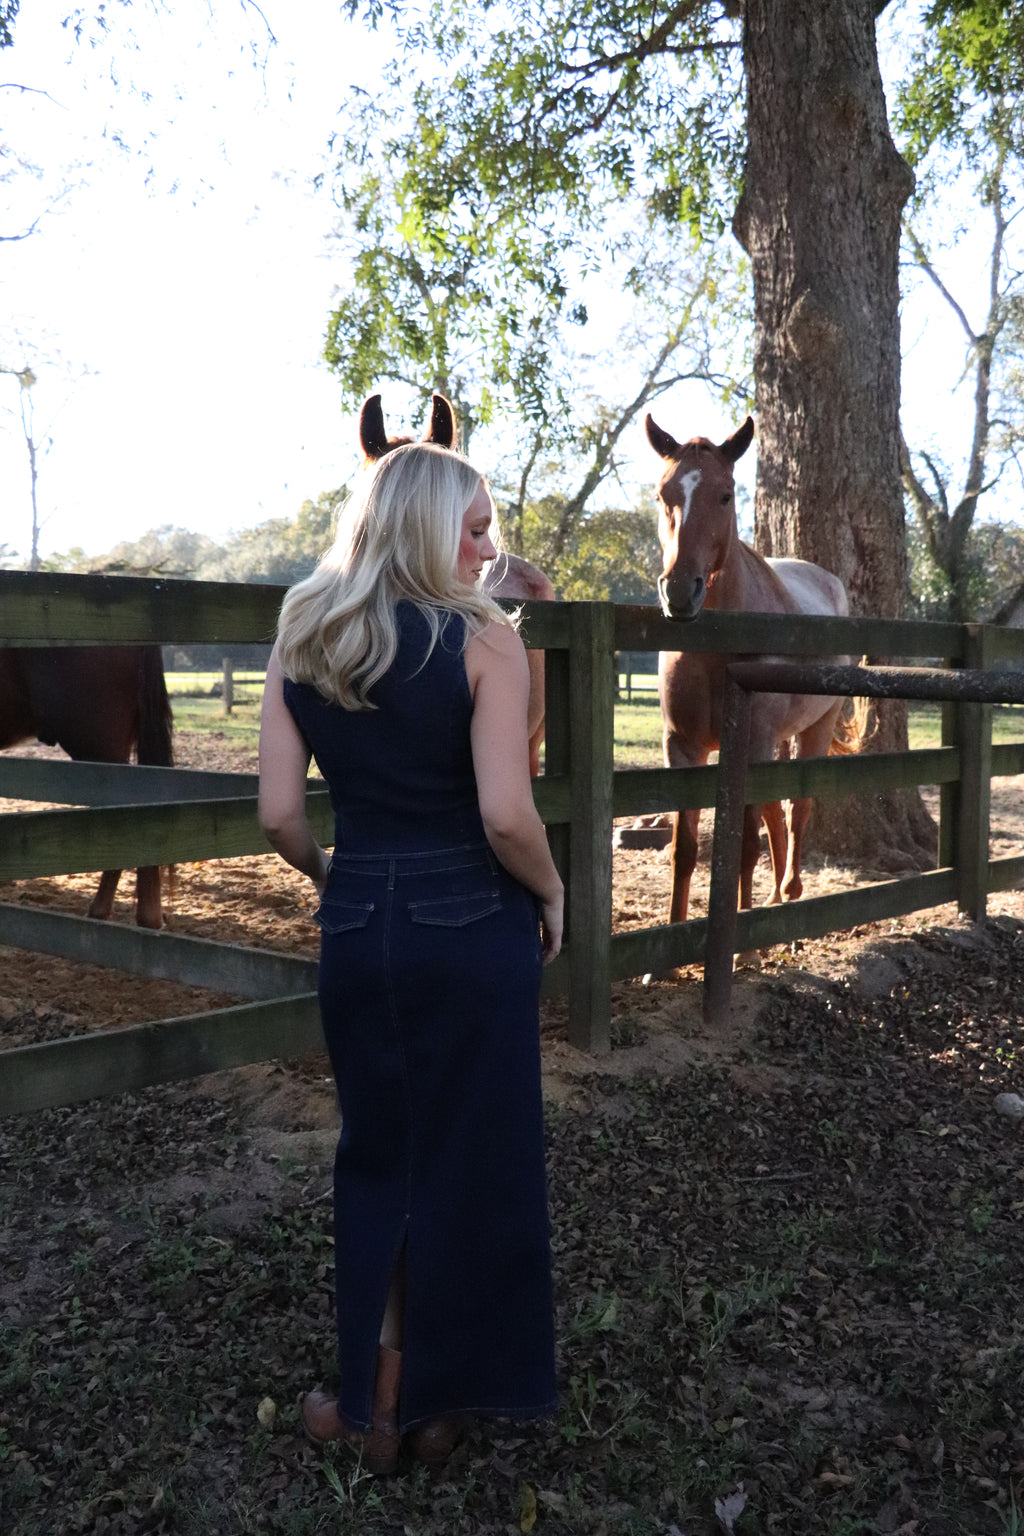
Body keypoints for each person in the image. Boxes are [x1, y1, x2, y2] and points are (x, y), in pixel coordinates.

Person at [257, 441, 564, 1476]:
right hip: (471, 924)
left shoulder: (303, 633)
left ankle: (372, 1400)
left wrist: (334, 880)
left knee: (379, 1156)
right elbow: (506, 816)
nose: (491, 549)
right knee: (473, 1159)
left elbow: (279, 816)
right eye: (474, 527)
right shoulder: (484, 640)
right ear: (422, 525)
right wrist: (554, 891)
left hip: (358, 925)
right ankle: (439, 1403)